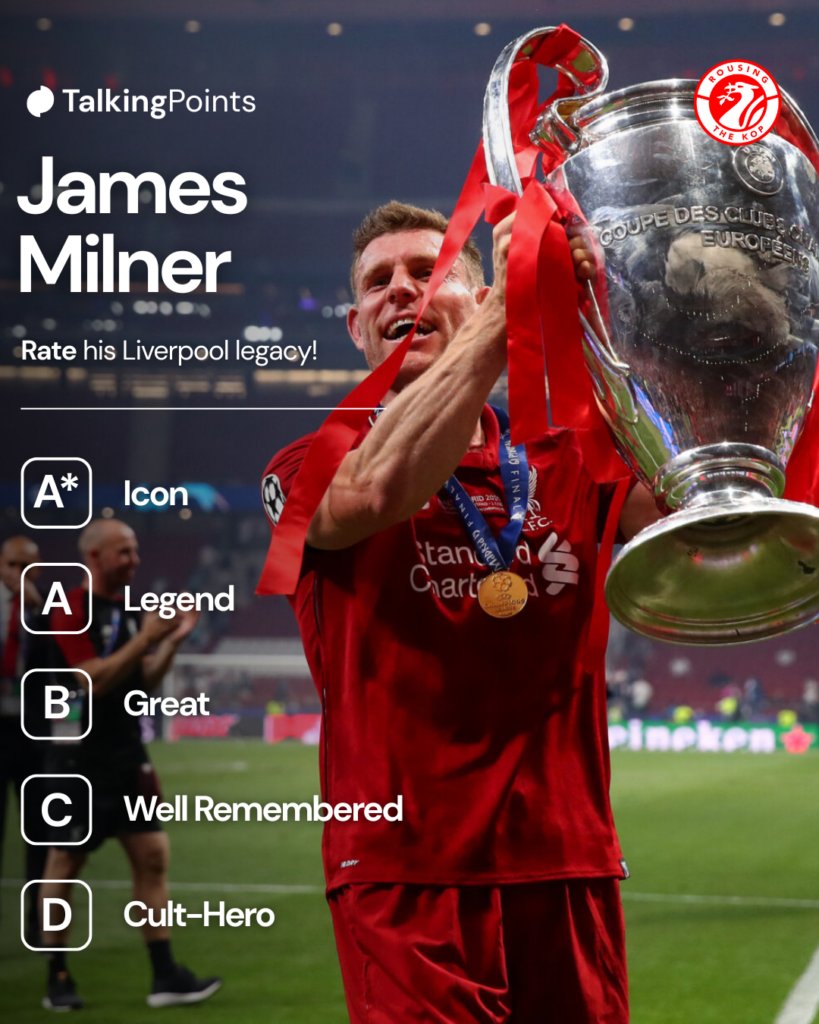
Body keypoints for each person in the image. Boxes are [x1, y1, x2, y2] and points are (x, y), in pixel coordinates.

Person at [260, 201, 660, 1023]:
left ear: (479, 301)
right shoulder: (305, 463)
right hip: (406, 876)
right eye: (379, 283)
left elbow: (705, 525)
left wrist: (615, 301)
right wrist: (511, 314)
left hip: (565, 862)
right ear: (355, 326)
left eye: (429, 274)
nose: (400, 291)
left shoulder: (572, 459)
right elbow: (373, 492)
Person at [38, 519, 221, 1012]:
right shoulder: (69, 607)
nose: (135, 561)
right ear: (94, 557)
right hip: (79, 755)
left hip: (126, 752)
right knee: (66, 863)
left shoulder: (129, 610)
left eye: (136, 551)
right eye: (124, 552)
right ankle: (57, 975)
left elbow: (140, 683)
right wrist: (146, 640)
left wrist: (174, 641)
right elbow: (90, 681)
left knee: (153, 857)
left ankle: (165, 975)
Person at [0, 535, 47, 942]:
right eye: (12, 565)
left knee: (40, 832)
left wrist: (37, 609)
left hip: (33, 734)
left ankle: (39, 921)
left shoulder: (48, 610)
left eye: (27, 567)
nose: (18, 574)